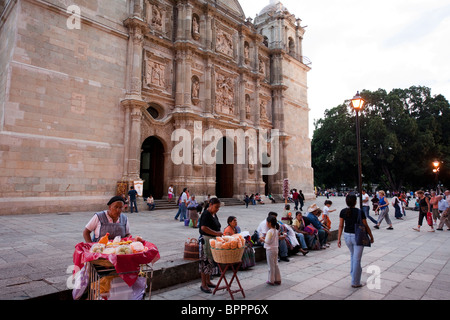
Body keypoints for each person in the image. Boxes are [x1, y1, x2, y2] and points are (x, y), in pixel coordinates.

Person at [337, 194, 374, 288]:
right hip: (357, 236)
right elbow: (365, 225)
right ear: (355, 202)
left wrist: (338, 239)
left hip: (346, 236)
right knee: (357, 259)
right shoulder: (359, 212)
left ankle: (353, 275)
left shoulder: (343, 211)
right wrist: (371, 236)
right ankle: (355, 282)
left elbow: (341, 226)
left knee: (353, 256)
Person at [198, 198, 223, 294]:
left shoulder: (213, 214)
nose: (217, 209)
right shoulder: (206, 214)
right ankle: (203, 284)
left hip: (212, 241)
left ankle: (208, 281)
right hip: (205, 241)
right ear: (210, 205)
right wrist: (216, 233)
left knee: (210, 262)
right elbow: (203, 228)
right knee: (204, 263)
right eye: (216, 207)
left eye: (218, 207)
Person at [262, 215, 281, 285]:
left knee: (271, 265)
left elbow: (268, 241)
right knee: (276, 264)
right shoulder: (276, 231)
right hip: (276, 248)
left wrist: (262, 239)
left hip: (270, 250)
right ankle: (278, 279)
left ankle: (271, 280)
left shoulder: (270, 231)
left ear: (269, 223)